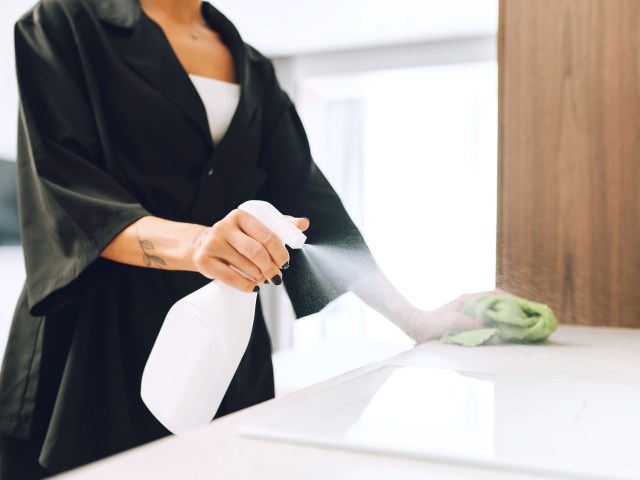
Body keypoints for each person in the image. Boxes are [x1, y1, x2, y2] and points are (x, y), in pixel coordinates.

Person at [0, 0, 483, 477]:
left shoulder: (253, 66)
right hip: (98, 336)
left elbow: (314, 207)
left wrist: (413, 319)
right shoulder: (62, 24)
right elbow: (68, 194)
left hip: (223, 335)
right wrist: (197, 247)